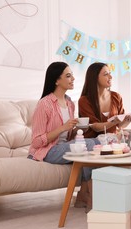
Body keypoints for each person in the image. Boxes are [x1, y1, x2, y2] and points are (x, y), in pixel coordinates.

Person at [28, 61, 99, 211]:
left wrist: (78, 130)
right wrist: (63, 128)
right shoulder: (44, 104)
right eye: (68, 76)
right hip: (48, 151)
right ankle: (89, 194)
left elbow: (68, 136)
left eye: (72, 75)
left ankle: (84, 195)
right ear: (56, 80)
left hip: (62, 147)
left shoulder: (69, 103)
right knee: (90, 145)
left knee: (96, 141)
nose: (73, 78)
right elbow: (36, 142)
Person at [78, 62, 131, 139]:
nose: (110, 77)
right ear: (95, 78)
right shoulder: (84, 101)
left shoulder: (116, 96)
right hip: (92, 145)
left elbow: (119, 126)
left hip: (112, 143)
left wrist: (127, 120)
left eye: (110, 73)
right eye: (106, 74)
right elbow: (95, 127)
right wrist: (114, 121)